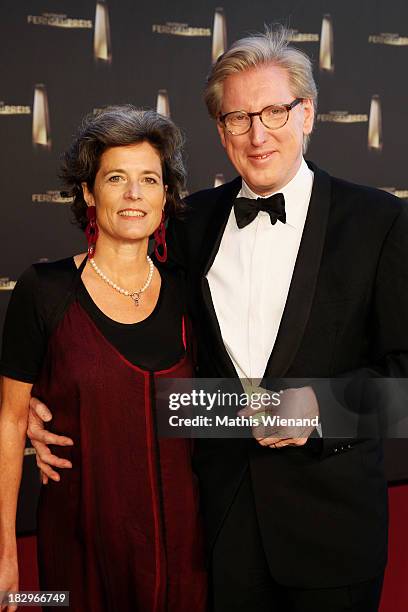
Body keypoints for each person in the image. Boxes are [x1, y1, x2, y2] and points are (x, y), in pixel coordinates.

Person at [28, 27, 408, 611]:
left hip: (332, 535)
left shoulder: (379, 222)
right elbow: (125, 322)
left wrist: (323, 408)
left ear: (307, 114)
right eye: (238, 118)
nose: (257, 135)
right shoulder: (187, 222)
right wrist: (41, 399)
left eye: (275, 112)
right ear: (220, 130)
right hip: (213, 527)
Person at [0, 106, 207, 612]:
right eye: (117, 178)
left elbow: (216, 405)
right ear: (90, 193)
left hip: (187, 549)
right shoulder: (45, 290)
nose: (134, 194)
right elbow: (9, 419)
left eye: (149, 180)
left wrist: (309, 412)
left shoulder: (191, 289)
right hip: (80, 547)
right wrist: (4, 547)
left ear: (165, 195)